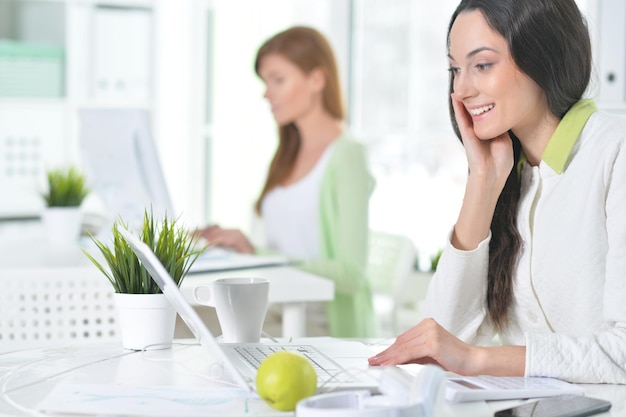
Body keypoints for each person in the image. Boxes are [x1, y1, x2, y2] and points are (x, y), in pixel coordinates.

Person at [369, 0, 626, 384]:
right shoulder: (511, 174)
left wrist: (478, 359)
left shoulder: (614, 152)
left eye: (482, 65)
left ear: (543, 56)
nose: (461, 89)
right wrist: (482, 182)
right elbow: (441, 338)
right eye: (455, 69)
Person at [197, 26, 376, 338]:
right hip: (277, 305)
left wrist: (255, 253)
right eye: (265, 82)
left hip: (316, 321)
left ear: (317, 80)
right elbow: (284, 246)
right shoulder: (287, 153)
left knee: (187, 324)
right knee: (180, 313)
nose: (267, 93)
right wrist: (235, 247)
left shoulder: (348, 156)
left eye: (278, 80)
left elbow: (352, 275)